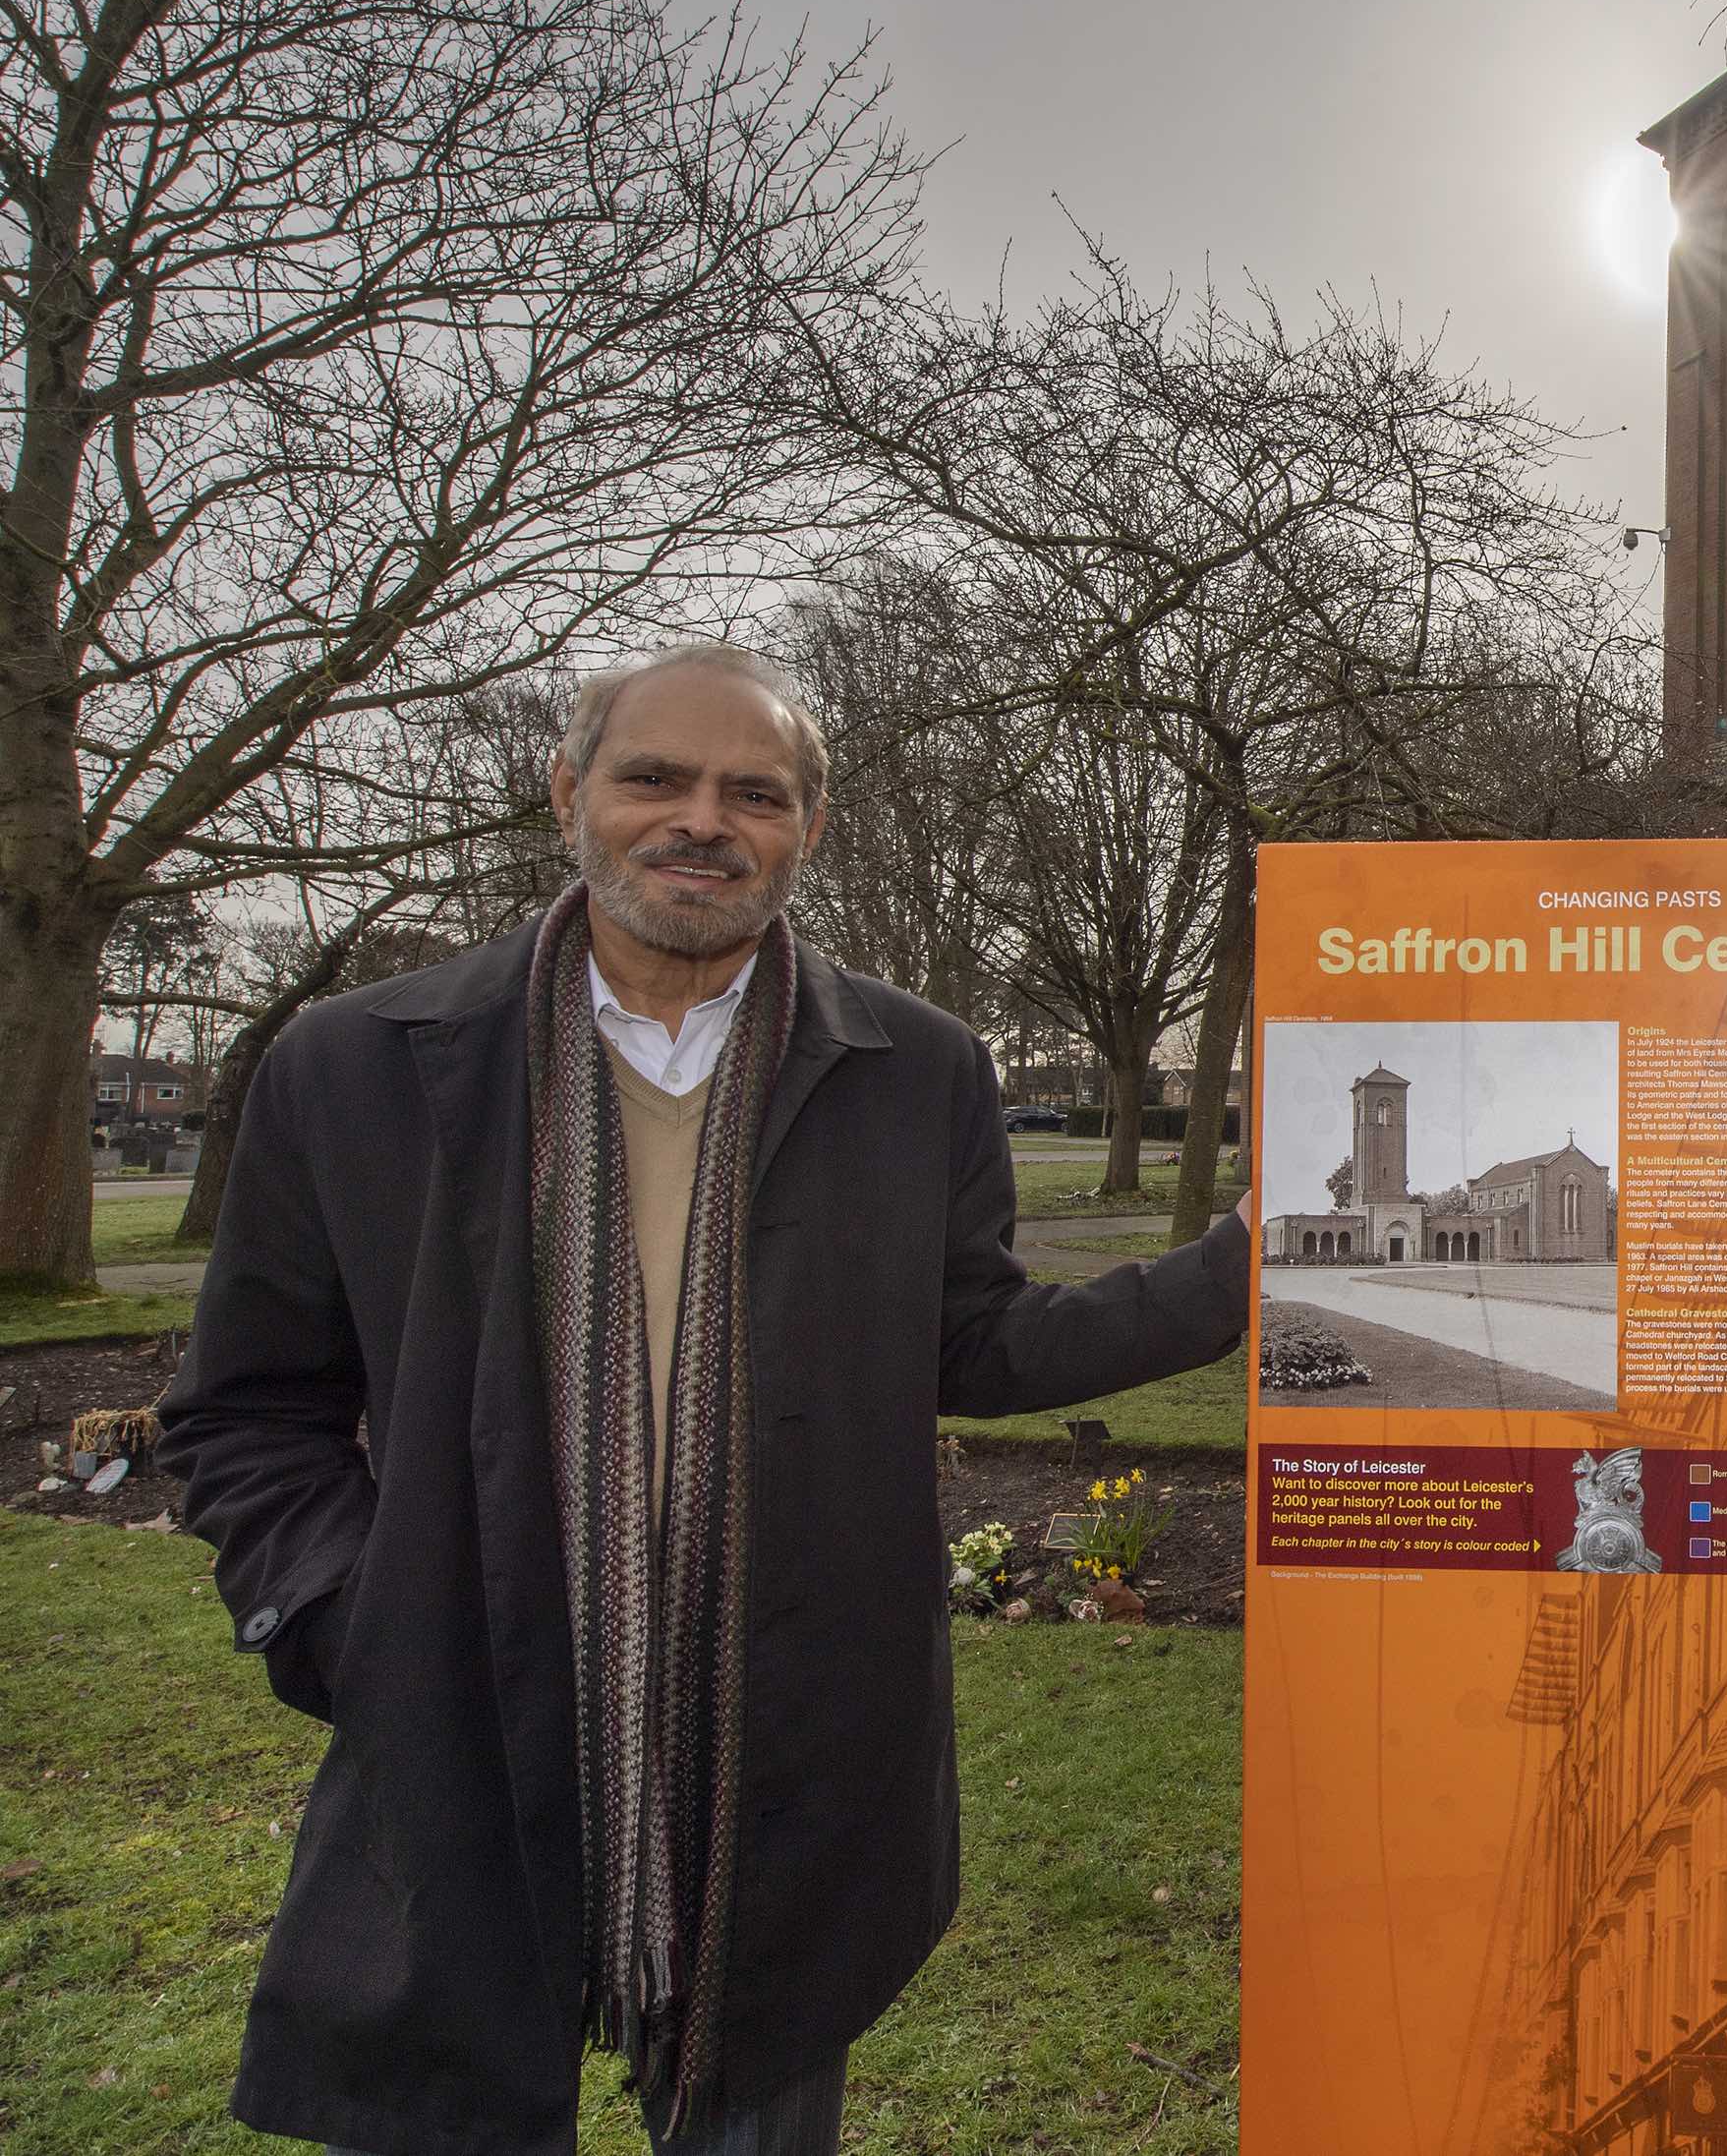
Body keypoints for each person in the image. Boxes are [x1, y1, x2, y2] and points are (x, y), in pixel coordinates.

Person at [158, 645, 1255, 2156]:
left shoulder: (915, 1069)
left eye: (755, 791)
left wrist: (1244, 1269)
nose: (701, 820)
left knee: (762, 2085)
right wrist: (354, 1615)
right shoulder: (361, 1065)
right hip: (469, 1692)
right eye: (654, 777)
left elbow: (982, 1343)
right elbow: (244, 1410)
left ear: (809, 826)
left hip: (785, 1714)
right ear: (570, 794)